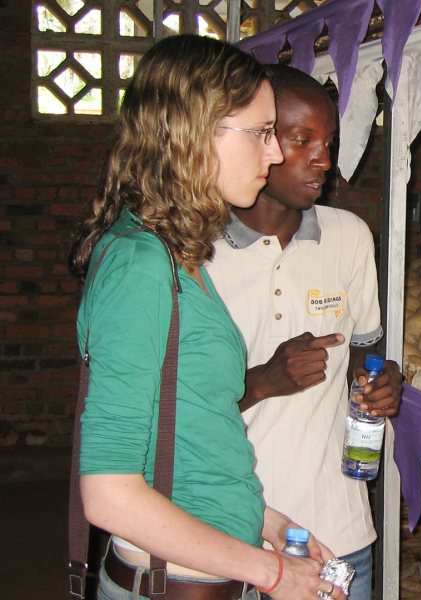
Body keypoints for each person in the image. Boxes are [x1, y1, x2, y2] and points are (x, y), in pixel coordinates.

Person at [69, 35, 346, 600]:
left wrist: (266, 521)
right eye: (261, 132)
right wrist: (270, 573)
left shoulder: (174, 252)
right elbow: (110, 493)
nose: (273, 155)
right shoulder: (141, 264)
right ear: (197, 132)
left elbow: (191, 428)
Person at [206, 64, 403, 600]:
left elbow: (368, 353)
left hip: (336, 528)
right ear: (262, 143)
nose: (325, 159)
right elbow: (170, 411)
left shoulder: (349, 237)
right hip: (229, 531)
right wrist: (263, 381)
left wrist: (384, 382)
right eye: (303, 140)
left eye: (329, 141)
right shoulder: (196, 250)